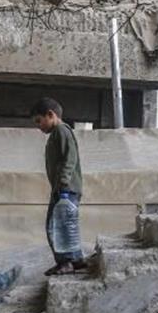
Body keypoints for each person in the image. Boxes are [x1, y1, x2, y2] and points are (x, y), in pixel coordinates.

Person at [31, 97, 88, 276]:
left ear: (50, 115)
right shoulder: (58, 133)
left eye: (39, 121)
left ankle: (65, 262)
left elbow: (69, 158)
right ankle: (76, 259)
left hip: (65, 189)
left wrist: (63, 183)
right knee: (66, 224)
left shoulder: (61, 131)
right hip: (65, 188)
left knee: (55, 226)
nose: (38, 126)